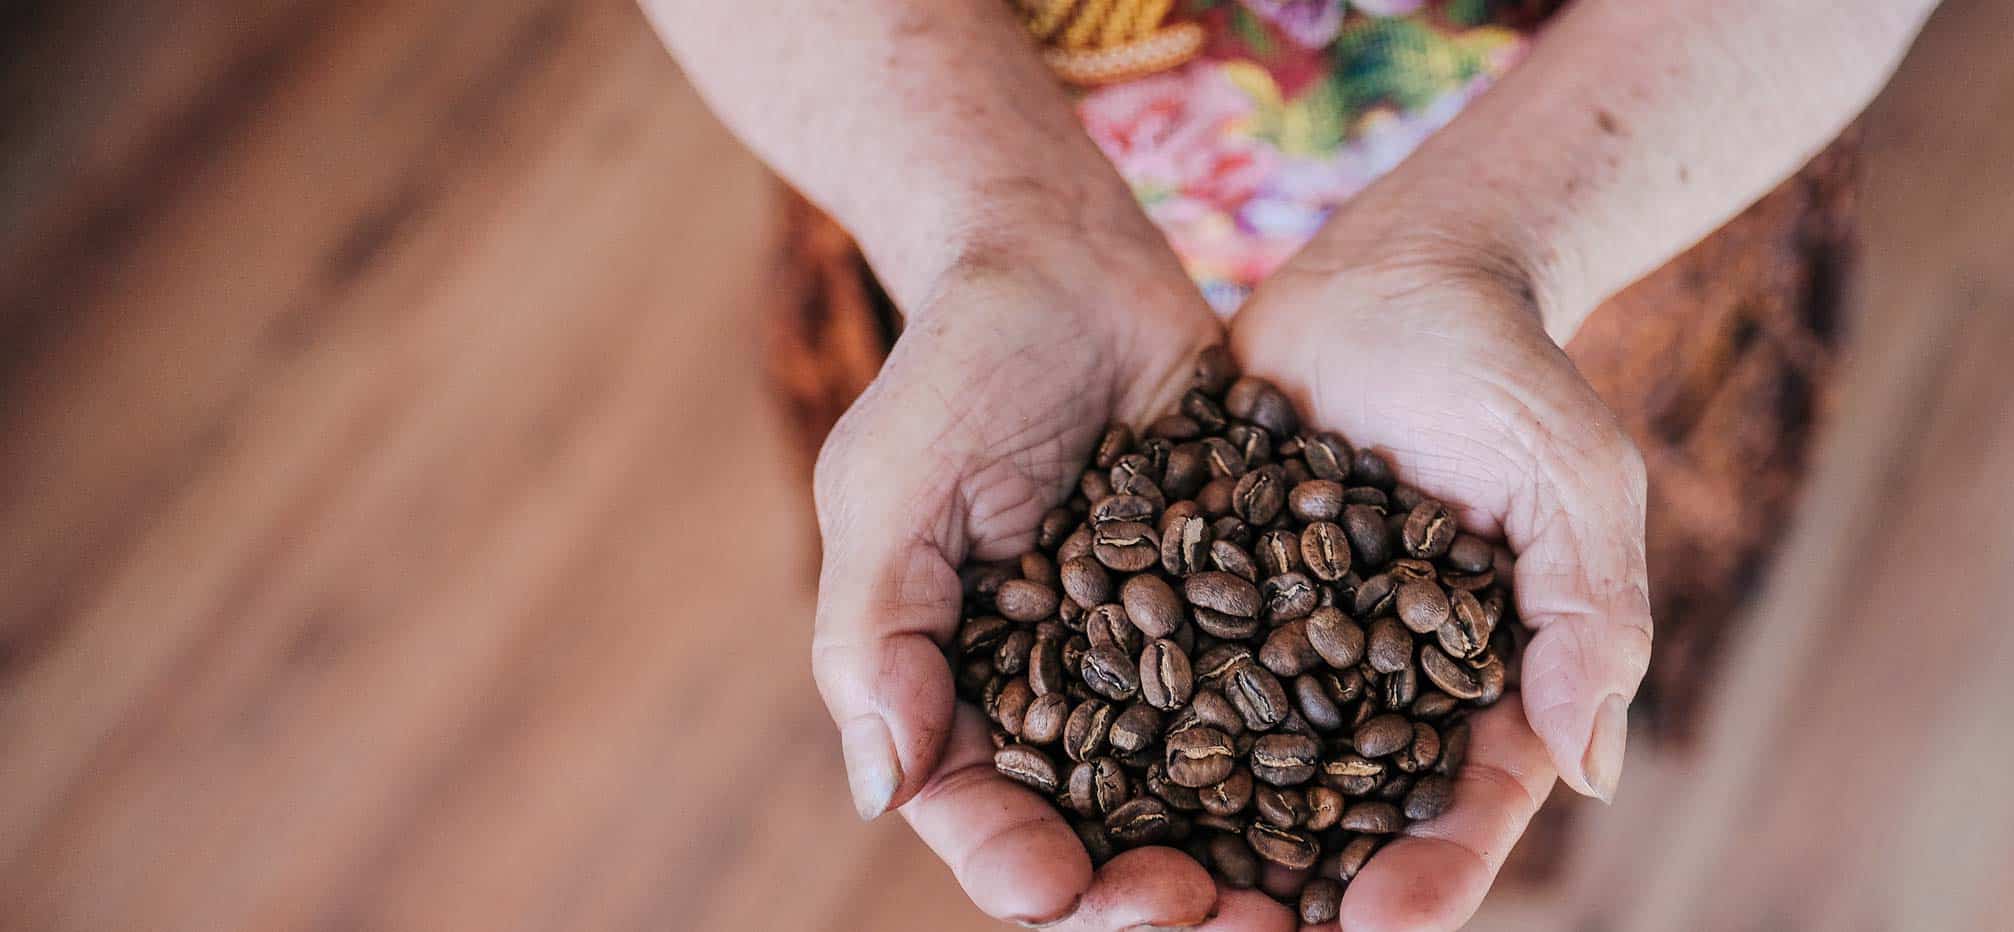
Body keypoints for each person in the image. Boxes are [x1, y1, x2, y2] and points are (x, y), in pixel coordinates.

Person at [644, 1, 1932, 928]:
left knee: (1552, 610)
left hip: (1628, 159)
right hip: (944, 130)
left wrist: (1491, 240)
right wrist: (996, 221)